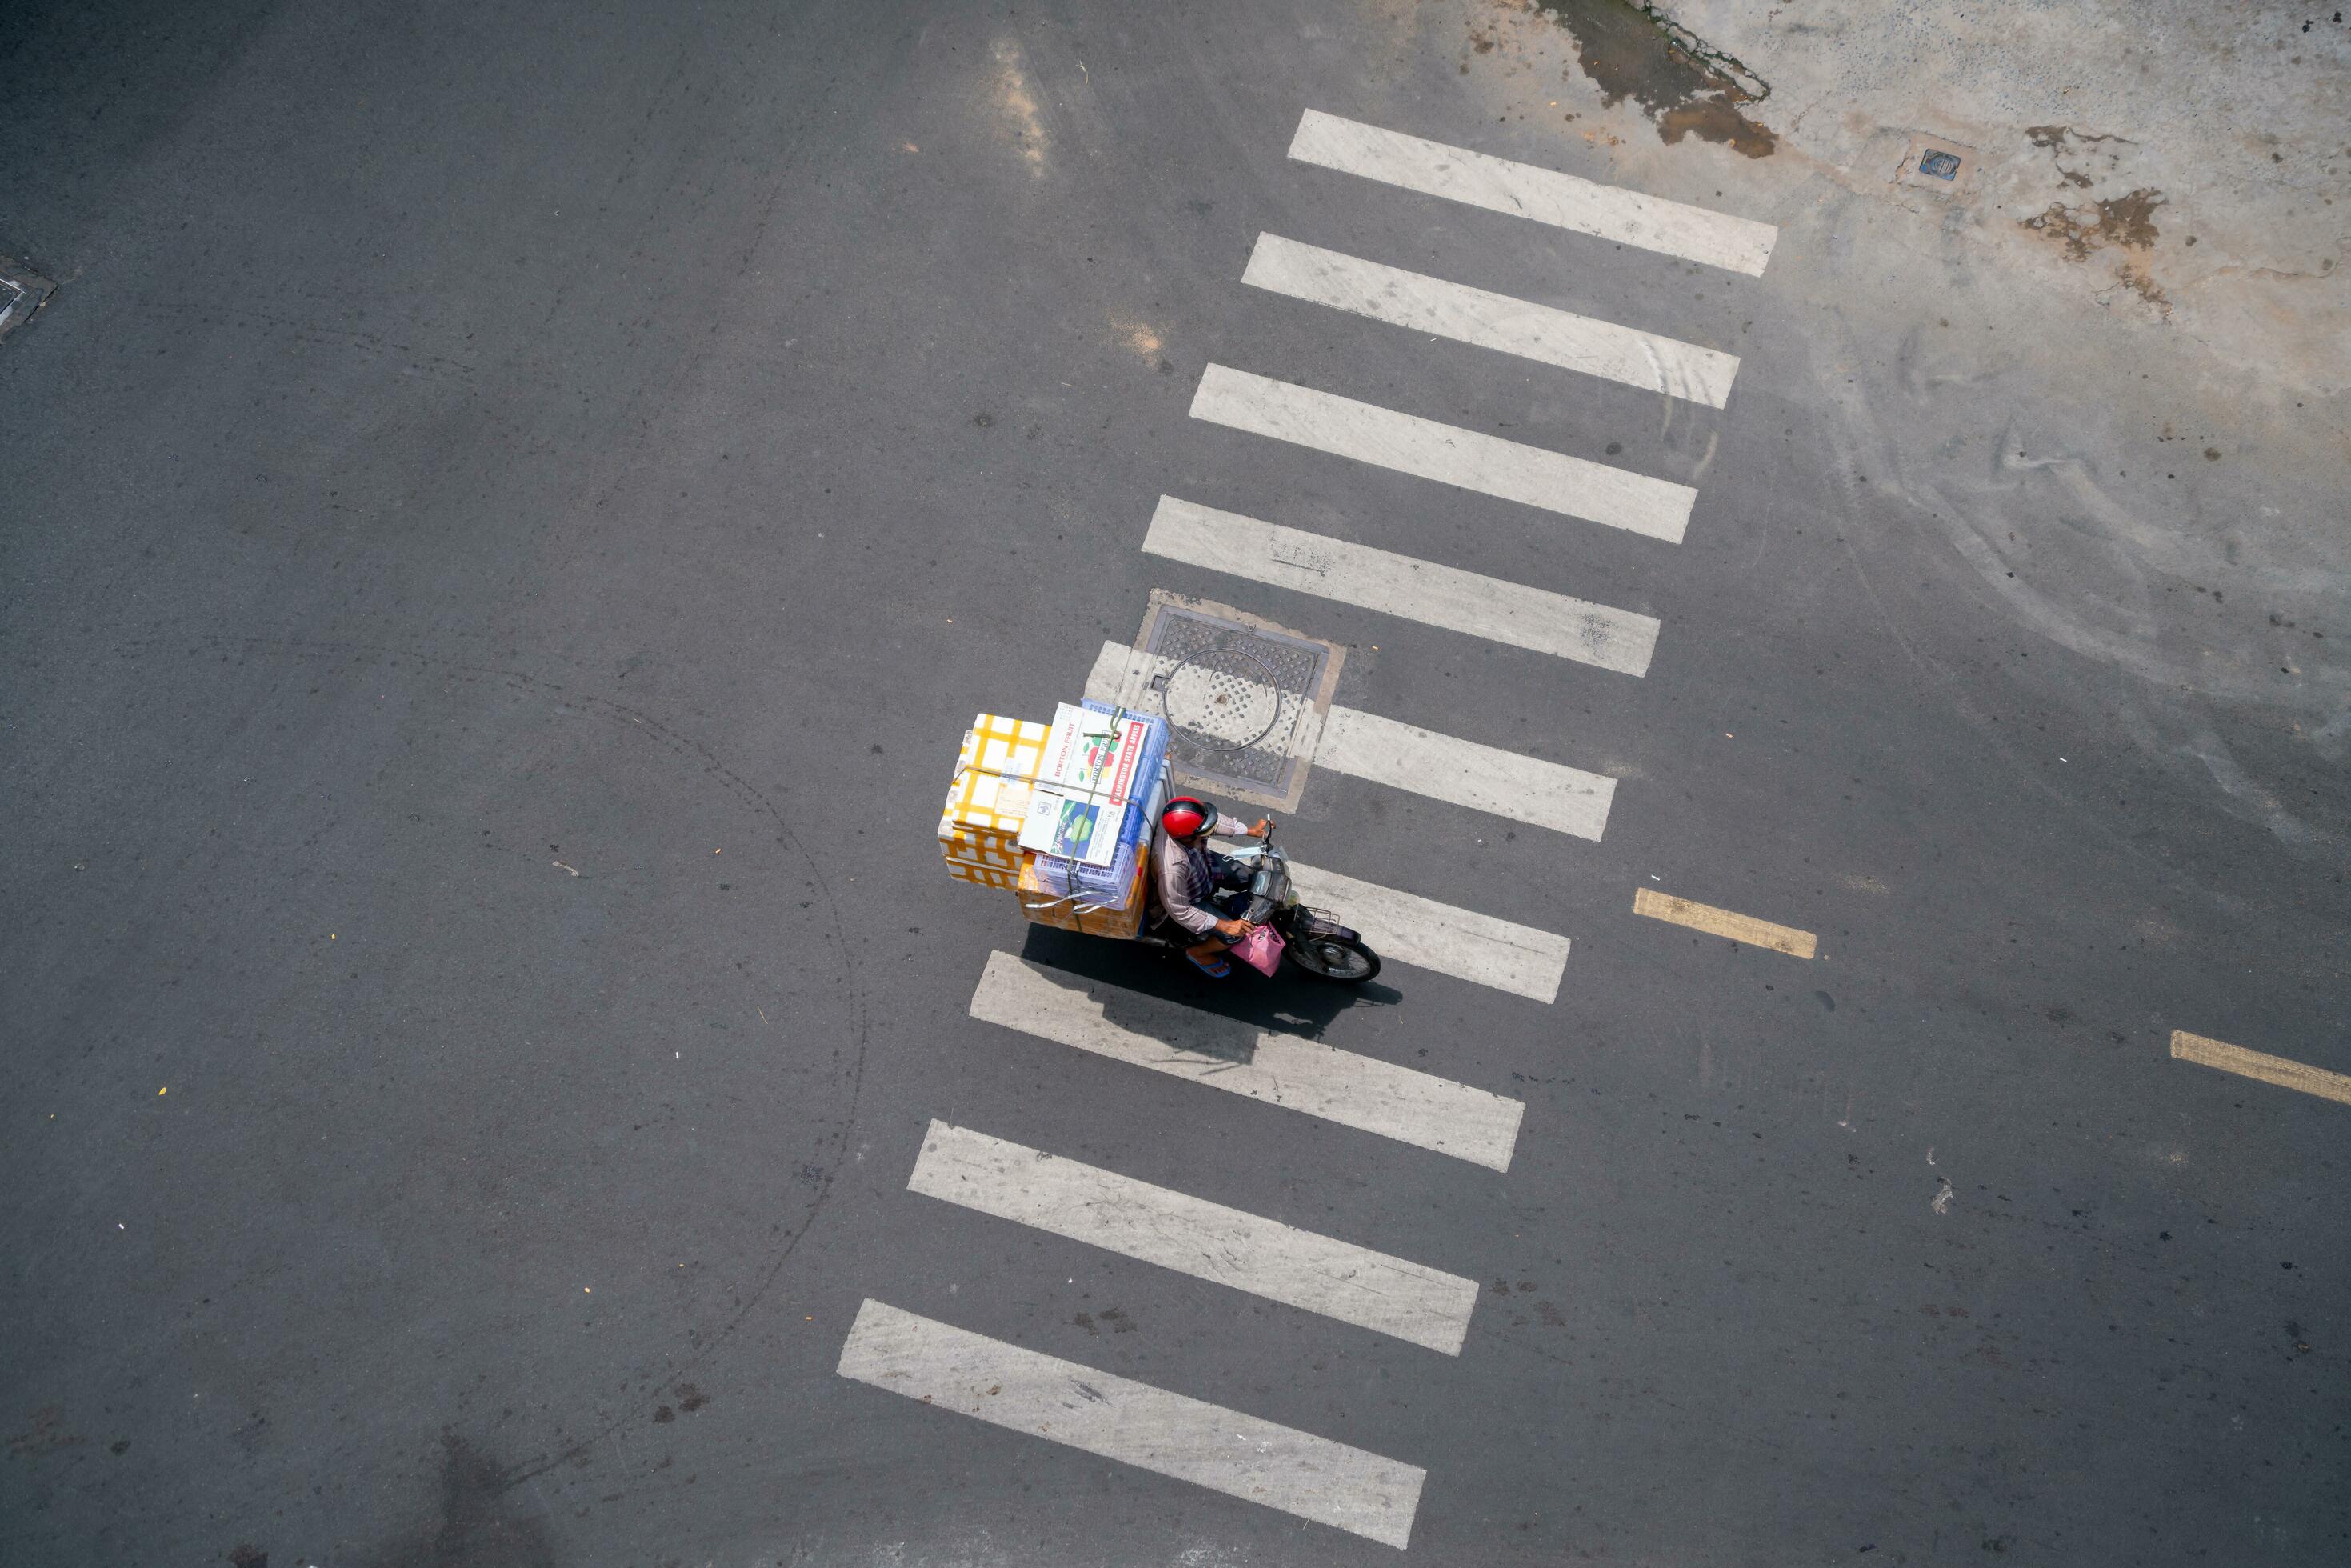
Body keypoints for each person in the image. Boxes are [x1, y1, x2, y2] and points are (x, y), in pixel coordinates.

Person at [1148, 796, 1274, 977]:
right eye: (1205, 829)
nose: (1210, 828)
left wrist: (1251, 831)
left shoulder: (1178, 824)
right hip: (1191, 898)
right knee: (1233, 936)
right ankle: (1198, 952)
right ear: (1190, 837)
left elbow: (1211, 821)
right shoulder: (1172, 868)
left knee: (1251, 877)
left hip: (1203, 863)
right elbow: (1179, 910)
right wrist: (1225, 926)